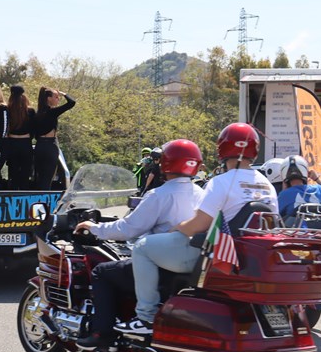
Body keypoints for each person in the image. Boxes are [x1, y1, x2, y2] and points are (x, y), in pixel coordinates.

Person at [116, 123, 278, 335]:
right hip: (248, 259)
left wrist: (176, 228)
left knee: (142, 247)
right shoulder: (267, 185)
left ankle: (146, 318)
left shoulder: (221, 182)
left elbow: (199, 224)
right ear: (254, 149)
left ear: (223, 148)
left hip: (217, 256)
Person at [72, 139, 205, 349]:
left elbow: (128, 229)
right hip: (191, 265)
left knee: (101, 272)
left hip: (161, 265)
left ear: (166, 163)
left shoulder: (160, 194)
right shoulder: (202, 193)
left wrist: (93, 227)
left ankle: (102, 333)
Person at [33, 87, 76, 190]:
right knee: (47, 178)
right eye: (56, 97)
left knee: (40, 177)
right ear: (48, 98)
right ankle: (45, 202)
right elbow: (72, 102)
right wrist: (63, 93)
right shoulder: (52, 112)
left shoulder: (37, 113)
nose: (58, 99)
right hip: (50, 145)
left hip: (39, 145)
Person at [276, 155, 321, 222]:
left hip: (298, 230)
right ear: (305, 171)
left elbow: (277, 215)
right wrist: (317, 179)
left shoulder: (284, 195)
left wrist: (284, 188)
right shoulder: (318, 189)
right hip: (320, 228)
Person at [5, 85, 35, 190]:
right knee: (25, 173)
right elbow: (33, 130)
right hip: (26, 143)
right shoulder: (30, 111)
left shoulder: (7, 110)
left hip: (12, 143)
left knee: (13, 173)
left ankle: (12, 195)